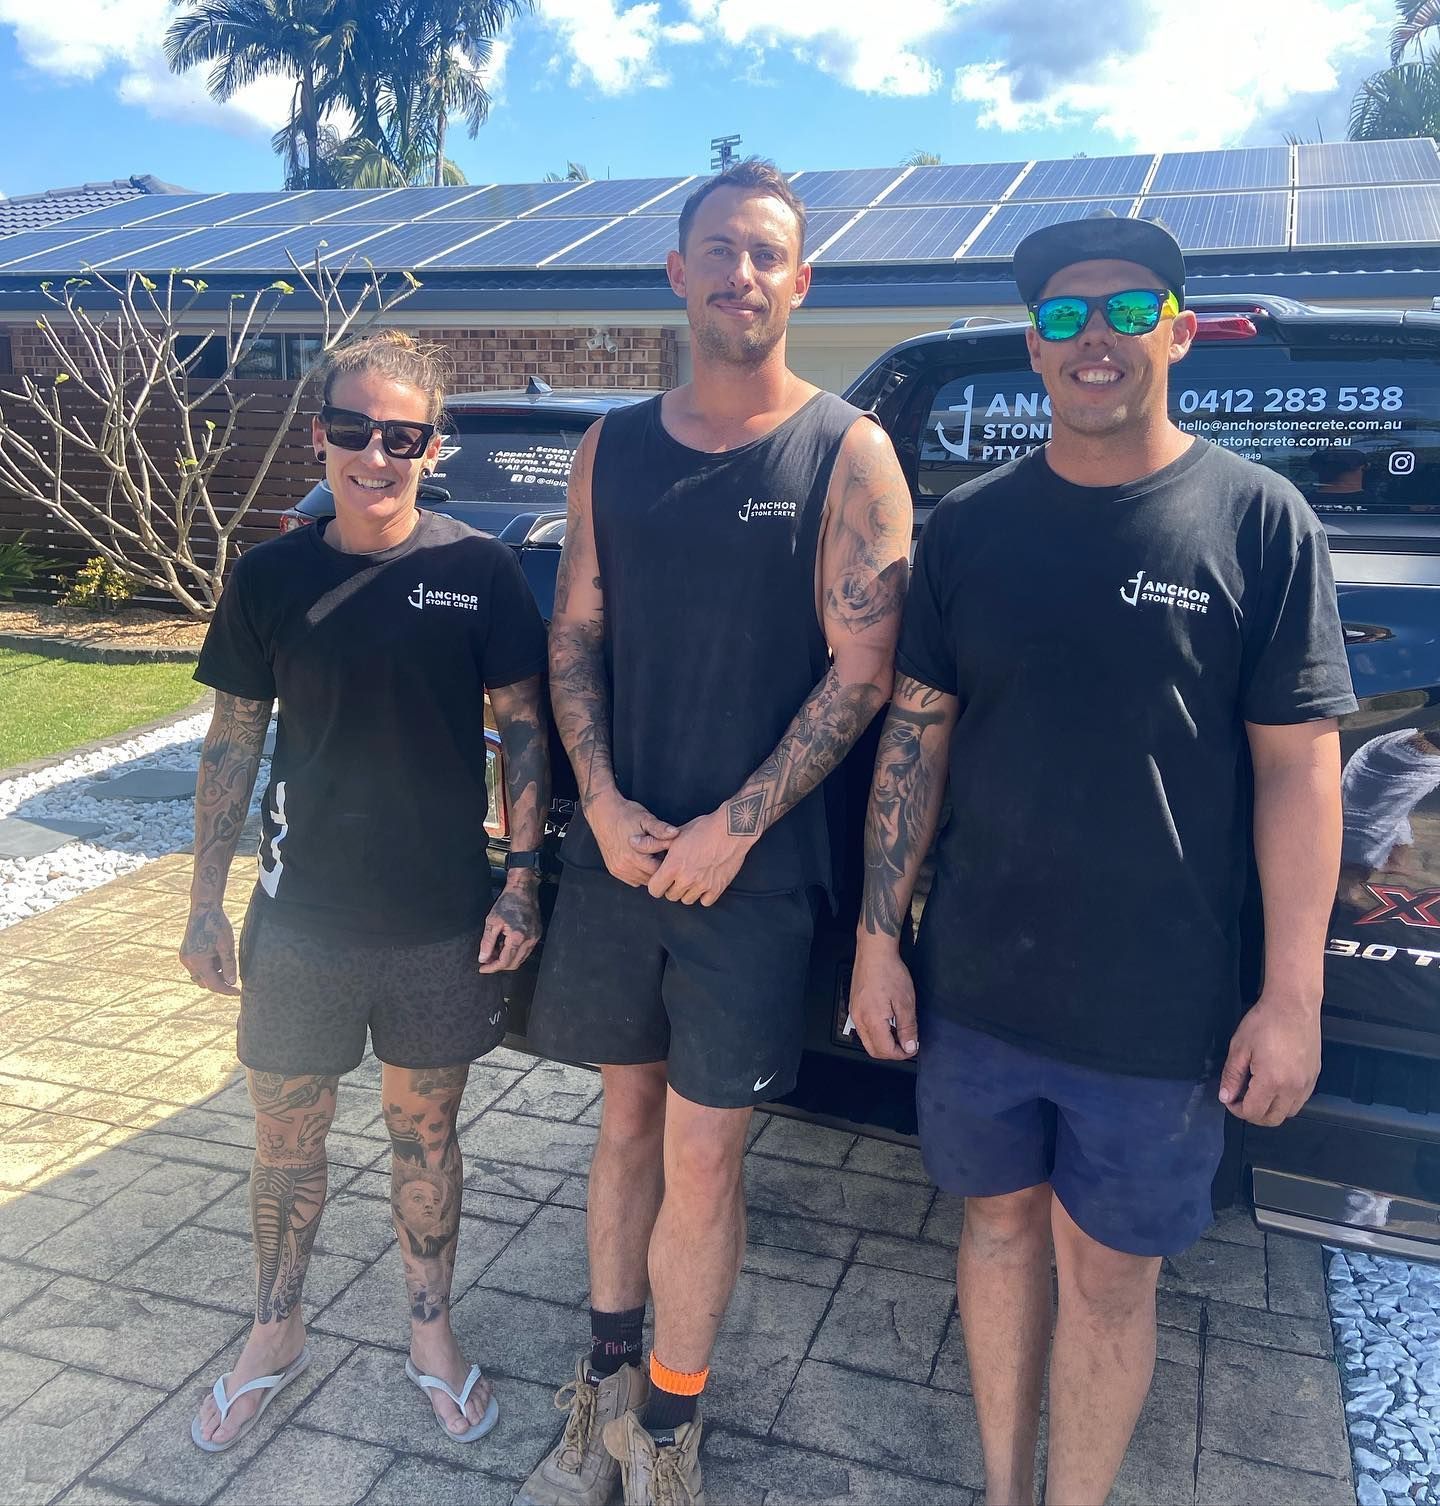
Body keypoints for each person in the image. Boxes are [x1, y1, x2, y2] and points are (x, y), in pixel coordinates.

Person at [849, 213, 1356, 1506]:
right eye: (1067, 316)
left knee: (1110, 1271)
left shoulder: (1259, 522)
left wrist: (1291, 997)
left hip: (1157, 1013)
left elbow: (1301, 770)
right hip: (977, 989)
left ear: (1178, 331)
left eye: (1129, 312)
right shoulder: (967, 532)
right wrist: (875, 938)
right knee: (1000, 1229)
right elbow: (918, 738)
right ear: (1035, 345)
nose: (1097, 339)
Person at [516, 158, 911, 1506]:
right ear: (677, 272)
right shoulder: (608, 448)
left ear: (799, 284)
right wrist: (606, 802)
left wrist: (734, 827)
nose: (742, 273)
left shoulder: (846, 451)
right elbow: (576, 628)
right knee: (622, 1122)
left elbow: (862, 668)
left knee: (701, 1146)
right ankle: (601, 1391)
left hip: (752, 875)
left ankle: (670, 1427)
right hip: (620, 857)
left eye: (767, 254)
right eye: (718, 250)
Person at [179, 330, 549, 1454]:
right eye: (354, 431)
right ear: (320, 436)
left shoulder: (479, 571)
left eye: (402, 437)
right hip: (299, 924)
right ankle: (274, 1332)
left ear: (432, 447)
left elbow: (524, 736)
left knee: (424, 1136)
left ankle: (431, 1335)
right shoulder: (273, 575)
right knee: (285, 1141)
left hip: (438, 923)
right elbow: (231, 744)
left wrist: (523, 882)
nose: (376, 457)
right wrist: (201, 901)